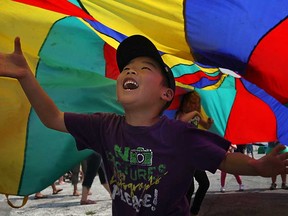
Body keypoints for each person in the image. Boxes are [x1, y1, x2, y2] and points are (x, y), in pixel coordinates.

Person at [1, 35, 288, 215]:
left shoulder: (179, 135)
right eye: (127, 68)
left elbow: (224, 159)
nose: (130, 70)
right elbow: (54, 118)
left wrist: (257, 168)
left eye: (144, 68)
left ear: (166, 94)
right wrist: (26, 76)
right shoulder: (104, 127)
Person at [175, 91, 213, 215]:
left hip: (193, 156)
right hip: (182, 157)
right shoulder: (181, 114)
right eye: (192, 102)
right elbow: (180, 122)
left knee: (204, 183)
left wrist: (208, 123)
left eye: (197, 103)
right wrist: (196, 112)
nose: (195, 105)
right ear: (185, 102)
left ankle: (193, 212)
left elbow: (205, 126)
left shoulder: (195, 116)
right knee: (188, 189)